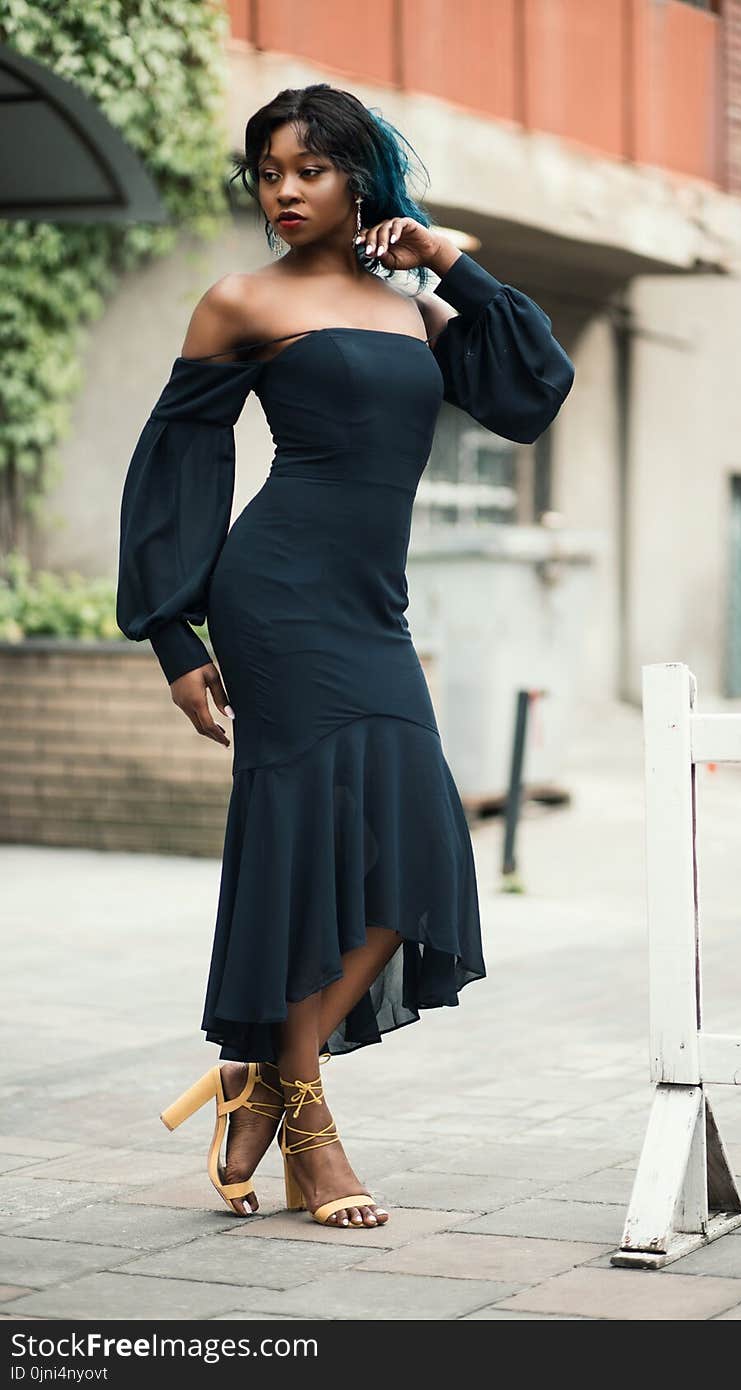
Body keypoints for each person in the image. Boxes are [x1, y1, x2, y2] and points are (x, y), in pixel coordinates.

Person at [116, 83, 575, 1232]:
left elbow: (531, 392)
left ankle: (261, 1075)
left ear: (358, 176)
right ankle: (311, 1130)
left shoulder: (417, 311)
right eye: (268, 171)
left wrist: (451, 262)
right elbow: (176, 465)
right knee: (299, 849)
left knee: (419, 845)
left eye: (308, 169)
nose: (283, 190)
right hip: (273, 599)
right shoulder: (240, 302)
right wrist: (175, 632)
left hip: (371, 607)